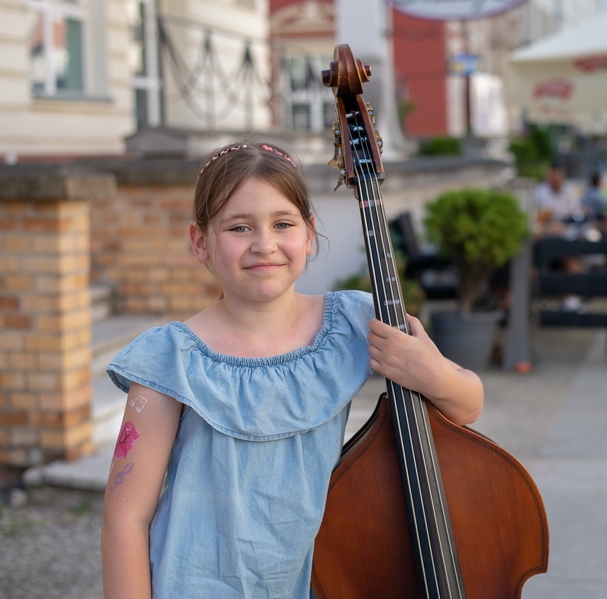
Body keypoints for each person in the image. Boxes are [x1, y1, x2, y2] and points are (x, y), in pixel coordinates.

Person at [100, 140, 484, 599]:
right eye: (239, 227)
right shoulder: (171, 357)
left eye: (282, 223)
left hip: (318, 582)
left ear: (308, 233)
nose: (264, 245)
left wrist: (431, 373)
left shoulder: (354, 323)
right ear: (200, 242)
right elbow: (125, 517)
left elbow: (468, 403)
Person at [534, 166, 577, 235]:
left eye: (557, 178)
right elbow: (537, 213)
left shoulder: (568, 190)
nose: (555, 180)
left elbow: (574, 210)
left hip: (566, 226)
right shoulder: (540, 190)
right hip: (546, 227)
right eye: (552, 179)